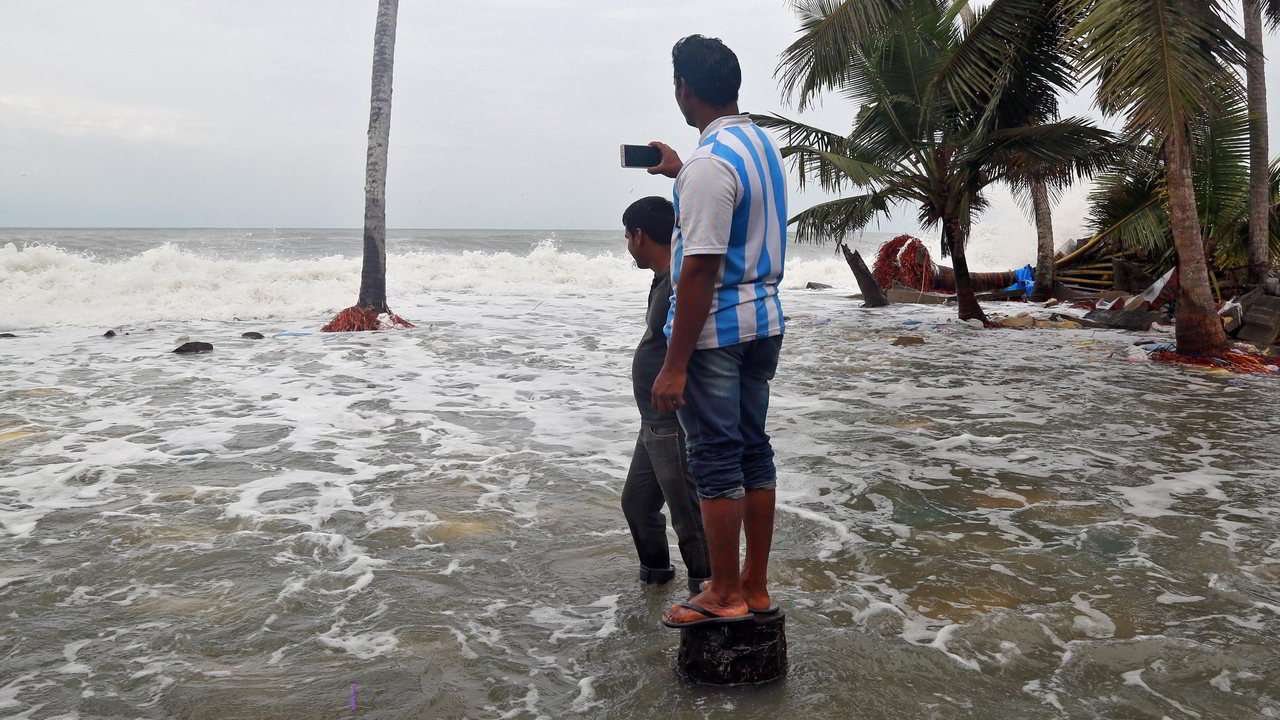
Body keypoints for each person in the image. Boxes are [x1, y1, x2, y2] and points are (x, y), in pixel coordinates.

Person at [646, 35, 788, 627]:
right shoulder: (756, 145)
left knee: (716, 460)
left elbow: (700, 267)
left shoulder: (710, 164)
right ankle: (752, 586)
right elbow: (736, 211)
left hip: (717, 335)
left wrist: (674, 364)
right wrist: (680, 172)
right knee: (754, 452)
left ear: (684, 88)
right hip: (764, 325)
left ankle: (723, 592)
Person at [620, 196, 711, 595]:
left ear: (639, 235)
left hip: (670, 417)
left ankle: (707, 589)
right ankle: (655, 581)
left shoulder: (679, 277)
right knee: (637, 504)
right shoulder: (666, 276)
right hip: (652, 420)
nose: (627, 244)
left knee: (687, 512)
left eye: (627, 235)